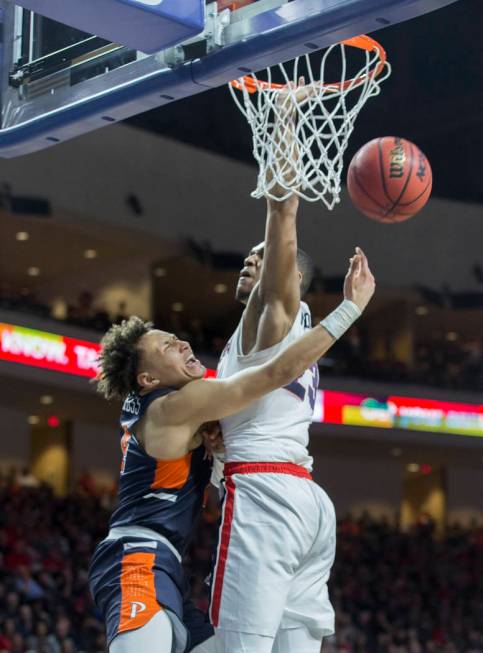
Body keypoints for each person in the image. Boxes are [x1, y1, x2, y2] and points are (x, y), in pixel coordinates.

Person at [88, 248, 374, 653]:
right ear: (148, 377)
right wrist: (350, 309)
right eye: (169, 347)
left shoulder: (177, 412)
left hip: (165, 564)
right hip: (135, 558)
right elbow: (276, 373)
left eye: (176, 338)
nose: (184, 343)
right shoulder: (175, 405)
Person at [209, 187, 373, 650]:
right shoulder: (288, 334)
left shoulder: (275, 313)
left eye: (259, 258)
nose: (248, 262)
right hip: (308, 501)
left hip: (266, 494)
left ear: (289, 275)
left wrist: (284, 117)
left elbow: (283, 205)